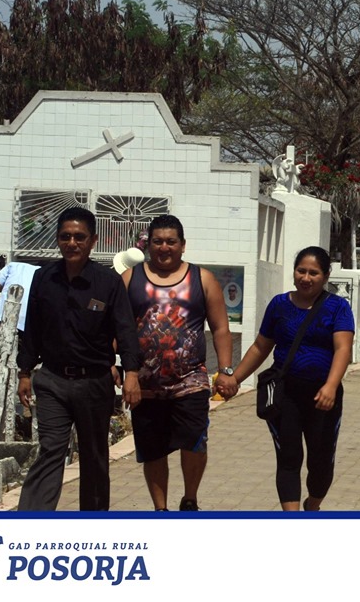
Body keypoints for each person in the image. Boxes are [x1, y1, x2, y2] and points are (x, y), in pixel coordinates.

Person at [16, 207, 141, 511]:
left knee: (94, 456)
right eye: (65, 236)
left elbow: (125, 329)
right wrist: (25, 372)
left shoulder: (108, 283)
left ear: (92, 241)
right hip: (52, 381)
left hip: (93, 383)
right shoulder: (44, 278)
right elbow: (32, 327)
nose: (72, 243)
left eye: (79, 237)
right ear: (58, 239)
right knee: (51, 450)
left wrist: (132, 374)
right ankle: (31, 520)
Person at [215, 247, 353, 511]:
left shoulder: (338, 307)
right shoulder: (279, 305)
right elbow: (260, 347)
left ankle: (313, 505)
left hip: (323, 396)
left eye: (313, 273)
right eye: (301, 271)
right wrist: (234, 378)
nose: (306, 278)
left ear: (325, 276)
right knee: (289, 457)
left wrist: (331, 386)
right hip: (285, 393)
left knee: (321, 461)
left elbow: (343, 349)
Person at [122, 214, 234, 512]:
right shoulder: (131, 278)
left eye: (171, 242)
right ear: (148, 244)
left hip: (190, 380)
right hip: (145, 384)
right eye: (157, 241)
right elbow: (118, 327)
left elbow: (220, 328)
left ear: (183, 245)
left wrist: (226, 371)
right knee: (152, 450)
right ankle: (160, 510)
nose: (164, 247)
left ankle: (190, 499)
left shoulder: (202, 278)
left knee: (194, 441)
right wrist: (116, 366)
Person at [0, 261, 40, 351]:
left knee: (0, 354)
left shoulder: (12, 266)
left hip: (3, 320)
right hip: (27, 325)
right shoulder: (42, 273)